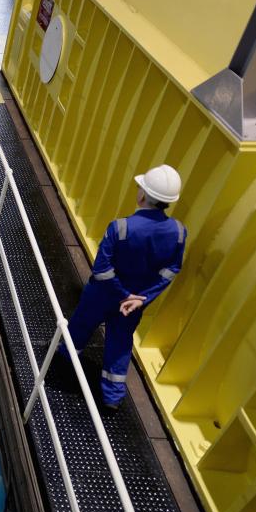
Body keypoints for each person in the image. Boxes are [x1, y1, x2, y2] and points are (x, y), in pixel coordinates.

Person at [65, 164, 187, 409]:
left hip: (103, 294)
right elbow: (170, 271)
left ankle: (64, 362)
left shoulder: (120, 227)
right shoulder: (179, 233)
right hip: (133, 304)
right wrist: (141, 298)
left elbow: (101, 270)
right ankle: (112, 397)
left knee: (79, 327)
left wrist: (122, 294)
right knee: (120, 344)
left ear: (142, 195)